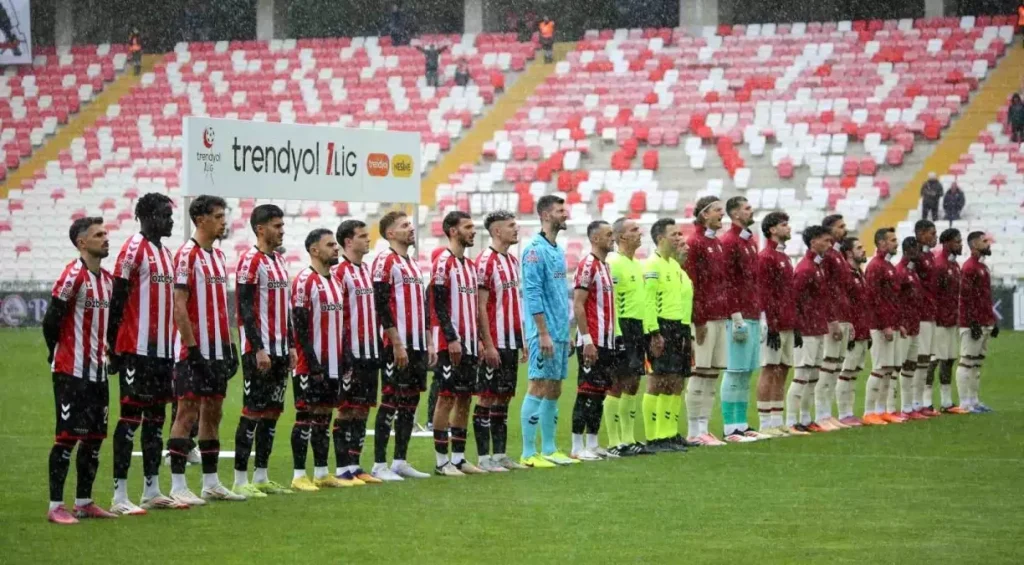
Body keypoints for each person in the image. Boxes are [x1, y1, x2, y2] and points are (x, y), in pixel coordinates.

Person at [106, 193, 185, 514]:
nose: (170, 220)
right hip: (136, 351)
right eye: (165, 215)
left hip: (163, 352)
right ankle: (119, 495)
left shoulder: (166, 254)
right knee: (129, 419)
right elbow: (117, 299)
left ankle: (151, 489)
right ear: (148, 216)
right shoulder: (132, 250)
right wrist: (111, 346)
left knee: (155, 419)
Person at [168, 195, 243, 504]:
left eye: (223, 216)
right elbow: (179, 306)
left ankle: (211, 483)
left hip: (216, 350)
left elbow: (220, 308)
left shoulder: (217, 255)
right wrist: (192, 348)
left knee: (213, 411)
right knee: (187, 411)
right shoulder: (187, 255)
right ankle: (177, 485)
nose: (223, 221)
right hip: (192, 351)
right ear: (200, 220)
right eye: (218, 216)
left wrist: (229, 346)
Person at [42, 217, 117, 524]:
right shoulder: (73, 275)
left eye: (106, 233)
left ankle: (84, 501)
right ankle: (55, 506)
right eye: (99, 235)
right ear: (82, 242)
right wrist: (55, 354)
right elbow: (51, 320)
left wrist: (108, 351)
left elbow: (107, 326)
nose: (106, 238)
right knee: (67, 437)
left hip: (97, 373)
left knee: (95, 437)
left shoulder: (108, 280)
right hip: (71, 371)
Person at [231, 205, 296, 498]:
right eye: (276, 226)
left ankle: (261, 475)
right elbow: (244, 308)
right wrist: (258, 348)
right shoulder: (250, 261)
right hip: (260, 351)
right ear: (260, 229)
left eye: (282, 225)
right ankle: (239, 479)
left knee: (272, 415)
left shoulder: (280, 262)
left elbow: (287, 310)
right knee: (252, 413)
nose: (282, 230)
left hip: (281, 351)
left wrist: (292, 345)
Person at [289, 229, 355, 490]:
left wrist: (345, 354)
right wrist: (312, 361)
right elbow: (300, 324)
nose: (336, 249)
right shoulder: (305, 280)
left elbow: (340, 324)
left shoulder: (335, 281)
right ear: (314, 250)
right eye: (330, 245)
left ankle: (320, 472)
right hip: (310, 365)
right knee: (305, 416)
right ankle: (297, 475)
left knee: (323, 418)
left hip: (333, 364)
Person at [371, 211, 434, 479]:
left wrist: (429, 341)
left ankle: (400, 460)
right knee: (391, 400)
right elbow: (381, 304)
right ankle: (379, 464)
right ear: (390, 234)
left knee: (410, 401)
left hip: (417, 344)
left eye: (411, 224)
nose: (411, 228)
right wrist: (396, 342)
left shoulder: (412, 263)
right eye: (404, 226)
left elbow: (422, 306)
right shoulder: (385, 261)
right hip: (396, 344)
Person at [519, 195, 577, 467]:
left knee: (554, 388)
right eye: (560, 210)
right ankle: (529, 453)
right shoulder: (533, 250)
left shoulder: (557, 249)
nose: (565, 214)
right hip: (542, 332)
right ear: (545, 215)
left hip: (560, 331)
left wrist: (566, 331)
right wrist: (542, 332)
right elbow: (532, 293)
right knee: (538, 385)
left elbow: (558, 295)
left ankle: (550, 448)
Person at [430, 212, 485, 476]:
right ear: (453, 231)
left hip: (472, 344)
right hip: (451, 344)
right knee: (446, 398)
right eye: (468, 227)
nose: (473, 231)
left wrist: (482, 341)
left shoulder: (471, 266)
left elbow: (474, 308)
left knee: (465, 399)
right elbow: (438, 303)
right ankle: (442, 462)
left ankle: (460, 458)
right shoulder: (444, 262)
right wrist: (451, 337)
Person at [330, 220, 385, 485]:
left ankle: (355, 464)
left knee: (363, 409)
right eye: (362, 236)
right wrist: (343, 351)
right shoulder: (338, 272)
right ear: (348, 242)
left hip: (370, 351)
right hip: (349, 352)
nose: (368, 240)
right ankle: (342, 467)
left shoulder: (366, 270)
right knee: (346, 409)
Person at [475, 211, 528, 471]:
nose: (515, 230)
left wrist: (522, 338)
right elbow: (480, 306)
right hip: (494, 340)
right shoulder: (486, 261)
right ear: (497, 231)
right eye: (511, 226)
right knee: (487, 397)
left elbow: (515, 302)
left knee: (504, 397)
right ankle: (484, 458)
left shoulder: (512, 261)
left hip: (511, 340)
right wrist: (487, 343)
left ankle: (500, 455)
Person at [605, 218, 653, 456]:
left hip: (637, 329)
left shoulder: (636, 264)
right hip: (621, 328)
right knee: (616, 383)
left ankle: (629, 438)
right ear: (621, 237)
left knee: (633, 383)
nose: (639, 233)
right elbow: (609, 300)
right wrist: (615, 333)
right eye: (634, 230)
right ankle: (615, 443)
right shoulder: (613, 262)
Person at [642, 218, 691, 451]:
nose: (679, 238)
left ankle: (668, 433)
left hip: (677, 327)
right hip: (660, 327)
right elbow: (648, 301)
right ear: (661, 238)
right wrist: (653, 332)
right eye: (674, 234)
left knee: (674, 381)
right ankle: (654, 438)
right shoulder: (652, 264)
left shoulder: (673, 265)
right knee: (657, 381)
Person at [569, 221, 617, 461]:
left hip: (606, 340)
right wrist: (586, 339)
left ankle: (593, 443)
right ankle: (577, 446)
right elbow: (578, 304)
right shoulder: (588, 264)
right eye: (608, 234)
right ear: (595, 238)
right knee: (586, 392)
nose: (613, 237)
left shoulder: (605, 266)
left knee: (599, 393)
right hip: (592, 341)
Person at [684, 196, 729, 445]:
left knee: (712, 374)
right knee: (699, 373)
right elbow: (693, 284)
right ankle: (693, 430)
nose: (722, 214)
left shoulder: (717, 243)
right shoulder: (696, 243)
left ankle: (704, 426)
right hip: (704, 318)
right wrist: (698, 320)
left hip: (719, 315)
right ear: (704, 215)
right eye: (717, 210)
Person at [719, 197, 764, 442]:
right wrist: (735, 314)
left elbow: (751, 281)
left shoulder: (749, 242)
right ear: (735, 213)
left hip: (753, 312)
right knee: (734, 371)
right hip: (739, 315)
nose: (751, 210)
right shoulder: (729, 242)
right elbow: (727, 281)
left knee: (746, 372)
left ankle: (742, 423)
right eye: (747, 208)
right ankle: (729, 427)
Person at [785, 225, 830, 435]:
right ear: (813, 242)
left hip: (818, 327)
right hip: (807, 330)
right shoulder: (805, 269)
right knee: (802, 375)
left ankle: (806, 418)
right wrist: (797, 327)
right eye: (825, 240)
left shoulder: (817, 266)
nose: (829, 244)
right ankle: (791, 421)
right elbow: (793, 300)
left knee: (813, 376)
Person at [755, 212, 796, 438]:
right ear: (772, 230)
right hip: (774, 323)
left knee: (783, 368)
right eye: (784, 224)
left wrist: (794, 323)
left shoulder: (785, 257)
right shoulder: (766, 257)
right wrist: (769, 323)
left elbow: (787, 293)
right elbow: (764, 292)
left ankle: (777, 420)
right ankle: (764, 423)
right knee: (769, 369)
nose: (788, 228)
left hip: (787, 322)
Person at [816, 215, 853, 431]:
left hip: (841, 315)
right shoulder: (827, 256)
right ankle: (821, 414)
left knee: (836, 367)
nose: (844, 230)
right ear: (829, 230)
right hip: (832, 318)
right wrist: (832, 319)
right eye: (841, 226)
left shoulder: (837, 253)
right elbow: (826, 289)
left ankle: (827, 413)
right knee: (827, 367)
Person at [863, 227, 903, 426]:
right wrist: (884, 325)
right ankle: (869, 411)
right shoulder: (875, 266)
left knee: (889, 369)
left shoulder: (888, 265)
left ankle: (882, 410)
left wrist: (898, 323)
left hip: (891, 324)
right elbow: (873, 299)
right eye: (892, 240)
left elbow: (892, 298)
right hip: (880, 326)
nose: (896, 243)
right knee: (879, 368)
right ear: (881, 243)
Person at [928, 228, 969, 414]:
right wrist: (937, 317)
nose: (960, 245)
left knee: (950, 359)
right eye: (957, 241)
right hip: (939, 322)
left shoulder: (954, 266)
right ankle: (926, 401)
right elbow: (932, 295)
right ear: (946, 243)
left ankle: (946, 402)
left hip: (952, 320)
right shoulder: (939, 265)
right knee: (934, 360)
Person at [957, 231, 998, 413]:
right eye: (984, 241)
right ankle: (965, 403)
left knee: (977, 362)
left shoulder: (982, 267)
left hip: (984, 321)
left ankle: (974, 400)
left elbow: (985, 298)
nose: (988, 243)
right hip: (972, 322)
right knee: (967, 361)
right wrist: (972, 321)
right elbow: (966, 298)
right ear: (974, 245)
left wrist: (992, 320)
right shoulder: (969, 267)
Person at [895, 237, 929, 421]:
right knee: (897, 367)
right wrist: (899, 322)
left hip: (914, 325)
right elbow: (896, 300)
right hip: (904, 327)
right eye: (918, 250)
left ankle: (907, 408)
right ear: (909, 250)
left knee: (910, 366)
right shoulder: (900, 271)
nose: (921, 254)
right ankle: (893, 409)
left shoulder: (912, 271)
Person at [835, 237, 869, 427]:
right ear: (848, 253)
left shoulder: (859, 273)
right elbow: (843, 303)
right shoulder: (846, 274)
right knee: (846, 371)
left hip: (863, 329)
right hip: (852, 329)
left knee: (854, 372)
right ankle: (843, 413)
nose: (863, 250)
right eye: (859, 247)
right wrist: (847, 326)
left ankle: (849, 412)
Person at [911, 220, 940, 418]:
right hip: (919, 313)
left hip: (930, 312)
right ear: (921, 233)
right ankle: (913, 404)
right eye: (932, 233)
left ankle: (920, 403)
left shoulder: (929, 255)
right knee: (919, 359)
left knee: (926, 360)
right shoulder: (916, 255)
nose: (934, 236)